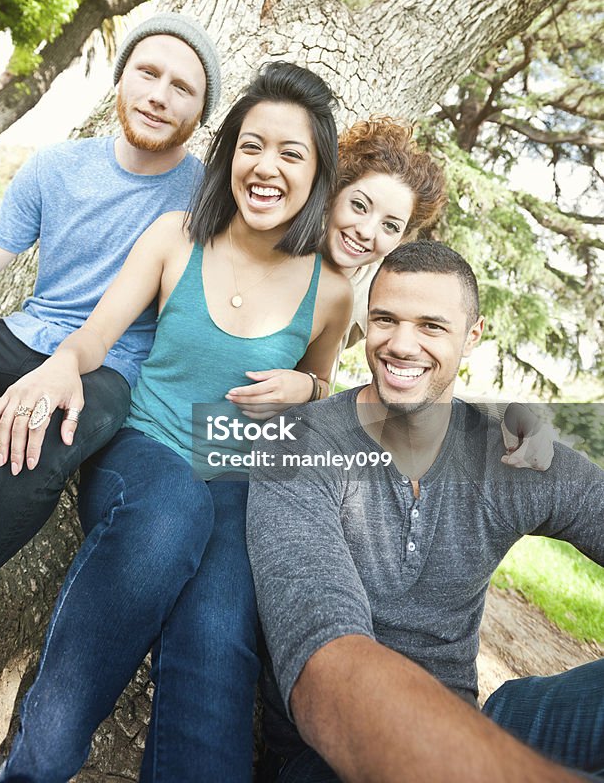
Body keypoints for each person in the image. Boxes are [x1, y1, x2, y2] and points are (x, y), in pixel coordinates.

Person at [0, 62, 353, 782]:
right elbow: (95, 338)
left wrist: (308, 389)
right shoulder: (175, 236)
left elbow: (322, 385)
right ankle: (34, 767)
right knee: (169, 513)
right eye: (253, 145)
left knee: (219, 643)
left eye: (292, 153)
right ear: (228, 156)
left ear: (316, 175)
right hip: (143, 449)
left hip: (238, 481)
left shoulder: (331, 292)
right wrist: (65, 363)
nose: (267, 167)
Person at [0, 11, 221, 677]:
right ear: (121, 79)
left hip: (108, 372)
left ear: (201, 113)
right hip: (26, 336)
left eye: (182, 87)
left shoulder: (209, 199)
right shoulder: (56, 167)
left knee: (26, 449)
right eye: (147, 72)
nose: (158, 94)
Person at [247, 240, 604, 783]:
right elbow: (327, 667)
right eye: (385, 319)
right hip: (326, 756)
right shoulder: (297, 446)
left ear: (473, 334)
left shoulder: (509, 449)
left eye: (432, 326)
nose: (402, 344)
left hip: (478, 727)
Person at [229, 116, 552, 468]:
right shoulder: (270, 234)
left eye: (390, 225)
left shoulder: (375, 288)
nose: (367, 231)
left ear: (402, 237)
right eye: (359, 205)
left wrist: (509, 414)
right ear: (332, 195)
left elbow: (424, 370)